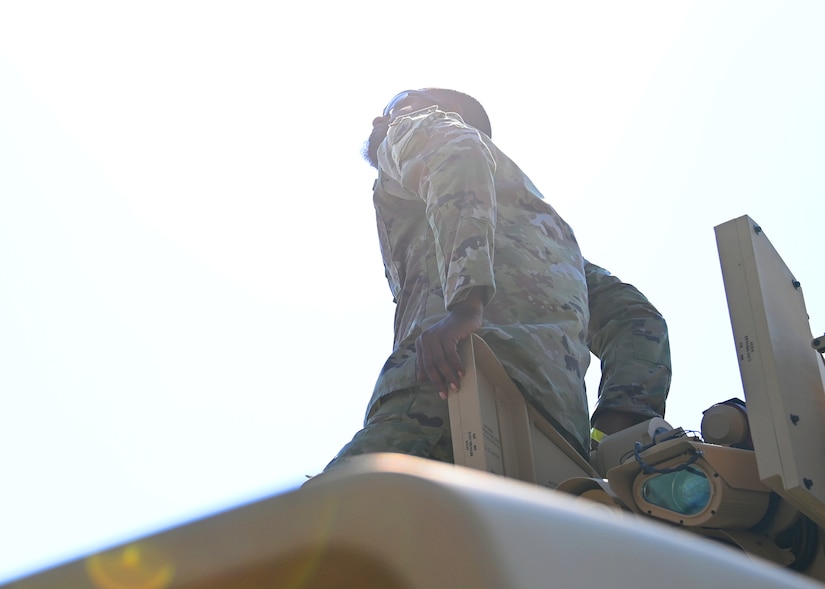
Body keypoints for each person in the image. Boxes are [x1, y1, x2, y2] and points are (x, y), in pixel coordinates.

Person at [325, 88, 670, 469]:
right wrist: (614, 439)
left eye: (397, 104)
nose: (381, 120)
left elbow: (456, 150)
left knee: (327, 519)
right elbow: (637, 319)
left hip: (449, 391)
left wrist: (465, 305)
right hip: (554, 445)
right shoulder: (553, 243)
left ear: (448, 111)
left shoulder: (423, 129)